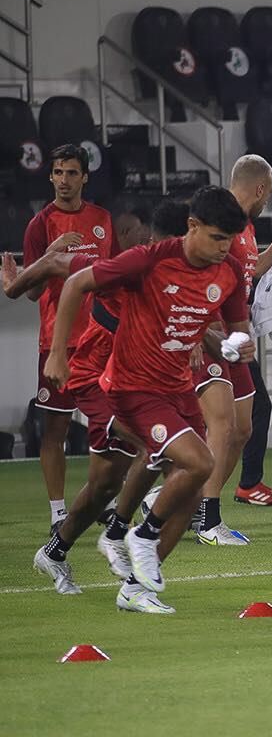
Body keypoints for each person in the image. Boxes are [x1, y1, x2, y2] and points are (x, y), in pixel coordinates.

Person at [44, 186, 253, 601]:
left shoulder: (227, 270)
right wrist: (56, 353)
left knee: (190, 487)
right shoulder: (147, 260)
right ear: (192, 227)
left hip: (176, 389)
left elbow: (236, 329)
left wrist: (237, 344)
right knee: (197, 461)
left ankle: (137, 587)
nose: (223, 248)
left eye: (229, 240)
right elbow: (71, 280)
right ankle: (137, 532)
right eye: (216, 238)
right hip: (130, 387)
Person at [11, 202, 191, 612]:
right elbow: (60, 268)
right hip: (93, 378)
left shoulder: (176, 278)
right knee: (165, 452)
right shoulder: (126, 268)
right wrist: (13, 285)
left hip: (130, 384)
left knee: (103, 484)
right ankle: (118, 537)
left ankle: (54, 552)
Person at [193, 155, 272, 542]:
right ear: (261, 188)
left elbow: (249, 274)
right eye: (269, 191)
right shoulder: (220, 221)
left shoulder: (246, 228)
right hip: (211, 337)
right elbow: (201, 277)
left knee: (242, 428)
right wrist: (202, 333)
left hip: (236, 336)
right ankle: (204, 515)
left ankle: (190, 502)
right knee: (220, 425)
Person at [21, 144, 115, 530]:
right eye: (58, 172)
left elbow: (116, 272)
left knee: (110, 426)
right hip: (56, 345)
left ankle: (102, 499)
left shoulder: (102, 220)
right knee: (54, 430)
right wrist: (52, 253)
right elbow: (28, 291)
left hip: (99, 342)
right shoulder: (40, 225)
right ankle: (59, 510)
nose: (64, 180)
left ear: (85, 177)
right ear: (50, 176)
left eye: (72, 173)